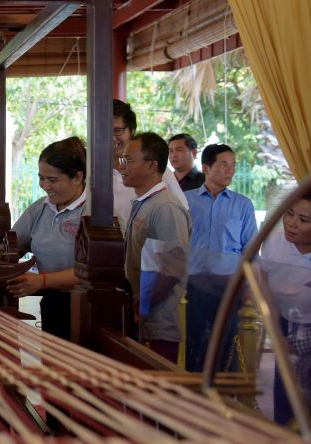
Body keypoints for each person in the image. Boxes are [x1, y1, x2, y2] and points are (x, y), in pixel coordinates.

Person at [183, 144, 258, 371]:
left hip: (228, 288)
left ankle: (221, 389)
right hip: (192, 286)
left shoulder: (243, 205)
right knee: (191, 343)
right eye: (224, 164)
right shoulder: (185, 201)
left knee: (225, 345)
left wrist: (248, 288)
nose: (230, 170)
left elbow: (250, 250)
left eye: (233, 165)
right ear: (206, 167)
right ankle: (189, 387)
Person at [6, 137, 87, 340]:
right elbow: (11, 247)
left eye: (52, 180)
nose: (45, 185)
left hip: (85, 307)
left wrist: (42, 280)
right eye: (41, 178)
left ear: (78, 177)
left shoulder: (94, 212)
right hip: (52, 301)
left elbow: (93, 271)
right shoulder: (41, 208)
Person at [120, 132, 192, 362]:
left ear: (151, 165)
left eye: (129, 160)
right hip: (140, 320)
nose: (121, 167)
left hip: (157, 327)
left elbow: (172, 268)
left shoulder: (166, 207)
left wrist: (140, 308)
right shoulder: (144, 203)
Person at [261, 192, 311, 425]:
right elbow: (264, 286)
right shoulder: (273, 243)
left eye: (303, 220)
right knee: (285, 387)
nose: (292, 223)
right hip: (283, 318)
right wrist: (276, 330)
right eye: (289, 214)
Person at [111, 100, 187, 229]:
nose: (111, 137)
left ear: (132, 131)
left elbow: (182, 214)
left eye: (117, 130)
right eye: (103, 130)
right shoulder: (90, 170)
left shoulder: (156, 171)